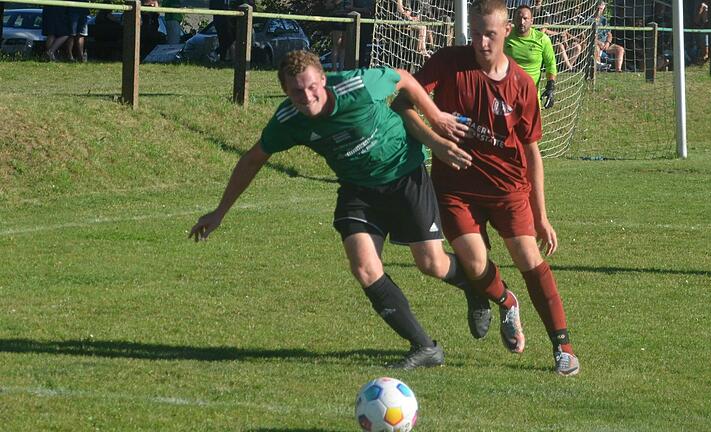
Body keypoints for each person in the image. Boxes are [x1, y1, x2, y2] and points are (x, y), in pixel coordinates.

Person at [189, 50, 489, 370]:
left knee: (431, 263)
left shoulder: (357, 86)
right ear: (285, 92)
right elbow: (252, 159)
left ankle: (472, 286)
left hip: (404, 174)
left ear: (323, 79)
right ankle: (424, 347)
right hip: (357, 189)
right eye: (295, 91)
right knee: (363, 268)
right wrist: (220, 212)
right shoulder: (288, 121)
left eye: (311, 87)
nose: (306, 96)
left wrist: (436, 116)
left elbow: (403, 78)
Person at [393, 0, 580, 376]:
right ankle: (505, 300)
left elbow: (532, 153)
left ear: (506, 32)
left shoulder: (522, 86)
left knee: (530, 257)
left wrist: (542, 215)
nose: (481, 43)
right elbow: (403, 104)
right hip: (455, 188)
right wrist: (436, 142)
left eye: (490, 35)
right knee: (475, 264)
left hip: (508, 188)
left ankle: (563, 347)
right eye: (475, 34)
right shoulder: (448, 63)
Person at [505, 4, 558, 109]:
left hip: (531, 98)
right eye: (518, 18)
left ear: (532, 21)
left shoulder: (542, 39)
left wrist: (550, 87)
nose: (522, 22)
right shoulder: (504, 37)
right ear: (513, 20)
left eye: (525, 18)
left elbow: (550, 64)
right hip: (507, 97)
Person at [593, 0, 624, 72]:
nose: (599, 11)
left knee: (620, 49)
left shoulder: (604, 20)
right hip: (594, 43)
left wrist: (607, 42)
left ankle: (618, 70)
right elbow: (586, 36)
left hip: (605, 43)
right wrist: (598, 42)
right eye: (598, 8)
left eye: (601, 9)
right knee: (596, 48)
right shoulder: (589, 20)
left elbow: (609, 34)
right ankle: (599, 69)